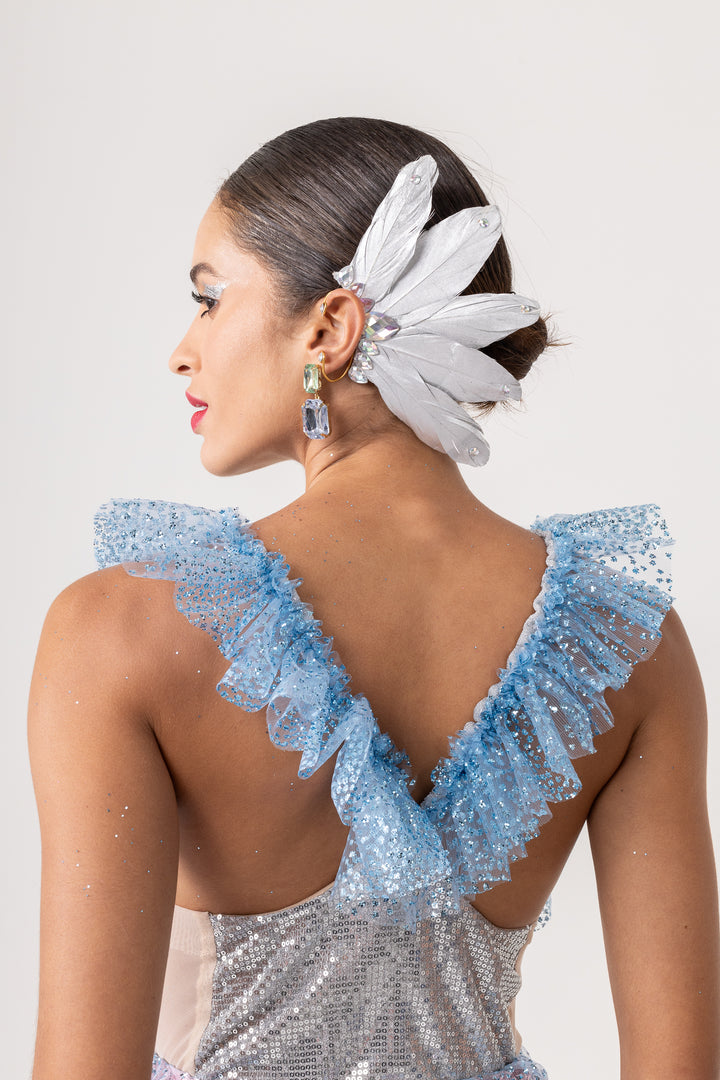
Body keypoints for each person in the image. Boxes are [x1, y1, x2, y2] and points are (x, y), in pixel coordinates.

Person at [28, 117, 718, 1080]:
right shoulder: (626, 648)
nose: (182, 352)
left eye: (209, 301)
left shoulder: (119, 632)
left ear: (331, 329)